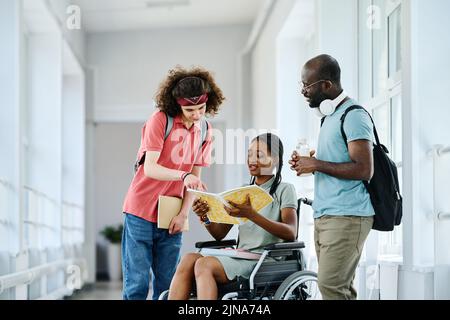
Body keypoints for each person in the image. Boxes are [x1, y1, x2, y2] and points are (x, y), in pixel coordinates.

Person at [121, 66, 225, 300]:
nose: (197, 114)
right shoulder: (160, 120)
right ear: (177, 104)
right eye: (190, 109)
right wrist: (182, 175)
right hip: (140, 211)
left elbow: (195, 180)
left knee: (170, 285)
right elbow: (150, 167)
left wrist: (184, 214)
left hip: (172, 214)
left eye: (201, 108)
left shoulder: (205, 130)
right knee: (136, 284)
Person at [167, 133, 299, 300]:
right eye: (249, 154)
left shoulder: (284, 189)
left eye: (258, 154)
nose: (251, 159)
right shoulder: (243, 191)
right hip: (241, 256)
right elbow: (219, 234)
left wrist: (252, 215)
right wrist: (206, 217)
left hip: (264, 261)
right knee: (188, 259)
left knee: (204, 264)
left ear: (275, 159)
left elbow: (291, 232)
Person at [289, 54, 374, 300]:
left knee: (331, 286)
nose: (303, 91)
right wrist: (310, 164)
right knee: (339, 289)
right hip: (327, 214)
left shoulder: (353, 115)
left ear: (326, 85)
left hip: (348, 215)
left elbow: (363, 169)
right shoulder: (329, 117)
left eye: (307, 85)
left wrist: (316, 163)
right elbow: (338, 162)